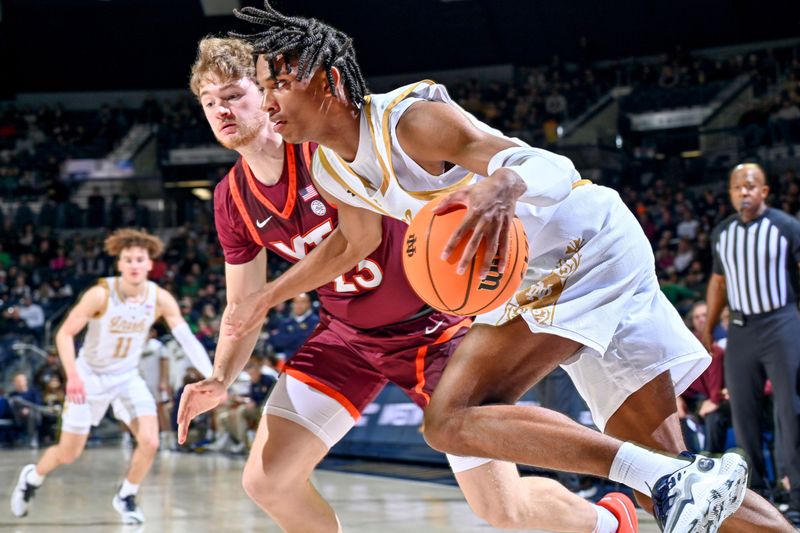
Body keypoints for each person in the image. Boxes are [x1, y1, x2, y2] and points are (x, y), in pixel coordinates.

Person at [224, 4, 793, 532]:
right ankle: (687, 485)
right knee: (670, 475)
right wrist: (266, 297)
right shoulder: (332, 170)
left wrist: (504, 183)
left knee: (451, 417)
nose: (269, 101)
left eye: (280, 83)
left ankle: (665, 478)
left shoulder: (409, 122)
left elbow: (541, 162)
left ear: (327, 81)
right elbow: (351, 243)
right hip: (543, 276)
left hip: (581, 245)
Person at [177, 37, 636, 533]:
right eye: (209, 102)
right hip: (346, 338)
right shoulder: (230, 199)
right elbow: (241, 304)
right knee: (267, 480)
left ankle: (607, 521)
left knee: (502, 510)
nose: (222, 110)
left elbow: (357, 241)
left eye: (233, 95)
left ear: (267, 94)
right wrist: (220, 377)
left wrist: (270, 296)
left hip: (433, 331)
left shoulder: (321, 146)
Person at [10, 228, 213, 524]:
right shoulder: (100, 294)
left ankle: (126, 495)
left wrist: (213, 377)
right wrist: (74, 376)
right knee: (69, 452)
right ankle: (32, 477)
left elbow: (186, 338)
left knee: (150, 441)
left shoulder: (160, 298)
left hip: (127, 377)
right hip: (89, 376)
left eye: (139, 259)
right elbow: (64, 333)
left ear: (149, 264)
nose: (133, 264)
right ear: (119, 264)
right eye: (127, 259)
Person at [704, 162, 800, 526]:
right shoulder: (722, 233)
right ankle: (760, 497)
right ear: (729, 193)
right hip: (741, 329)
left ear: (764, 192)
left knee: (789, 412)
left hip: (781, 322)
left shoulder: (787, 227)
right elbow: (718, 283)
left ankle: (797, 497)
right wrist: (709, 328)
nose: (743, 192)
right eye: (736, 187)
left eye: (750, 186)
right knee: (743, 417)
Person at [679, 301, 730, 455]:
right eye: (697, 317)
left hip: (725, 396)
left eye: (704, 315)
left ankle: (709, 459)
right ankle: (686, 463)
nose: (701, 319)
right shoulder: (687, 343)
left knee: (714, 416)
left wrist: (714, 399)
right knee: (673, 416)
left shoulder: (727, 337)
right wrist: (677, 397)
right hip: (697, 398)